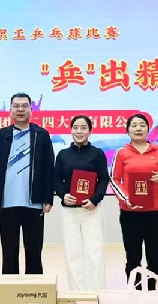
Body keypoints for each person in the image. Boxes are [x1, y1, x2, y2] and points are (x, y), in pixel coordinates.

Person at [0, 92, 55, 275]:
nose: (20, 109)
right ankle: (10, 289)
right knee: (9, 253)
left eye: (24, 106)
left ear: (31, 110)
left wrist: (48, 198)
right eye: (16, 106)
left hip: (34, 202)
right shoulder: (0, 135)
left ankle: (34, 288)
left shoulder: (41, 135)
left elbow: (49, 167)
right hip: (7, 203)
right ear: (10, 110)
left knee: (34, 252)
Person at [110, 114, 158, 290]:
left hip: (155, 213)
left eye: (142, 125)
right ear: (128, 130)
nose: (138, 128)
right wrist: (125, 198)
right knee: (133, 257)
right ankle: (134, 292)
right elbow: (114, 179)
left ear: (148, 129)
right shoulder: (122, 153)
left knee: (155, 257)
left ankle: (154, 292)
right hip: (130, 214)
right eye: (134, 125)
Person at [53, 115, 109, 291]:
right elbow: (56, 180)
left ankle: (96, 293)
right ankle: (77, 294)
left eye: (83, 128)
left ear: (90, 131)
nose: (79, 131)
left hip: (92, 210)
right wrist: (63, 195)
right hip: (70, 212)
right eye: (75, 128)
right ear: (71, 130)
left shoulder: (97, 154)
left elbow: (103, 179)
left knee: (94, 253)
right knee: (72, 254)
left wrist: (94, 199)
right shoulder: (63, 155)